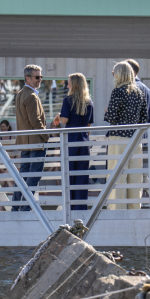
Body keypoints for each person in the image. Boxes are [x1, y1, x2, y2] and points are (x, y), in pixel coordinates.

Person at [104, 61, 148, 210]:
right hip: (136, 138)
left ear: (119, 75)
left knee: (117, 176)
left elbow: (111, 117)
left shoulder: (118, 92)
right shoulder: (139, 93)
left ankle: (118, 210)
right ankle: (135, 209)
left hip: (119, 137)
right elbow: (144, 118)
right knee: (134, 177)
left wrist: (107, 111)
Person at [12, 65, 49, 212]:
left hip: (25, 142)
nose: (40, 79)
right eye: (37, 77)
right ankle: (26, 207)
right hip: (35, 142)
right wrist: (46, 137)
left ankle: (16, 207)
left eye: (41, 77)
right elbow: (35, 121)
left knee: (23, 176)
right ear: (28, 78)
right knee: (34, 176)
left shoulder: (21, 94)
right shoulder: (31, 96)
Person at [57, 73, 94, 211]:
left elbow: (65, 120)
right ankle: (81, 208)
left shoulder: (68, 100)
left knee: (69, 174)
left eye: (69, 83)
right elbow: (89, 125)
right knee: (82, 176)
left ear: (75, 85)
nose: (67, 85)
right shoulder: (89, 102)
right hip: (84, 140)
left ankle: (69, 207)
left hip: (70, 140)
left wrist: (58, 116)